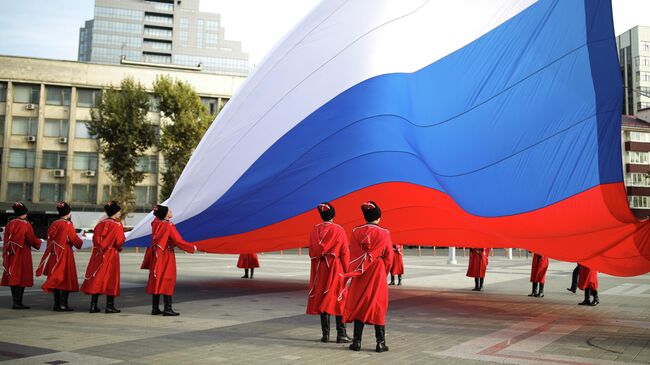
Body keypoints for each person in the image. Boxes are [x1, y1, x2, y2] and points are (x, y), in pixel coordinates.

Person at [343, 201, 393, 353]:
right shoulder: (384, 233)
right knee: (378, 305)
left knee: (359, 304)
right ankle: (380, 343)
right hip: (377, 271)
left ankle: (357, 342)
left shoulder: (356, 231)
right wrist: (383, 272)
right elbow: (389, 257)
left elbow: (352, 253)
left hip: (360, 272)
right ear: (378, 217)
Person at [306, 202, 351, 344]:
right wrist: (347, 271)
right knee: (339, 298)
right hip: (335, 268)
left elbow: (311, 251)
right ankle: (341, 334)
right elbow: (344, 252)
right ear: (333, 214)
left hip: (320, 269)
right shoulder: (339, 229)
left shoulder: (315, 230)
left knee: (322, 297)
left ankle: (325, 334)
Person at [144, 205, 196, 316]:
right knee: (168, 278)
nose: (171, 211)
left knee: (156, 278)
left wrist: (159, 211)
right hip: (166, 254)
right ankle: (167, 308)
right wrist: (192, 247)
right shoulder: (168, 225)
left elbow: (157, 217)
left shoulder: (156, 223)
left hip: (156, 253)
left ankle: (155, 308)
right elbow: (178, 240)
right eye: (169, 210)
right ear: (166, 215)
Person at [36, 202, 83, 311]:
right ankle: (63, 304)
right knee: (65, 278)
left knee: (56, 278)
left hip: (54, 254)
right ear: (68, 213)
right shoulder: (67, 224)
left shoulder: (54, 223)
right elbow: (75, 239)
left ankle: (57, 304)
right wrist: (80, 243)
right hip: (65, 253)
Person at [80, 201, 125, 313]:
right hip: (111, 254)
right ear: (115, 212)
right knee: (111, 279)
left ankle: (93, 305)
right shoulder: (117, 225)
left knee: (97, 278)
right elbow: (119, 241)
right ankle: (109, 306)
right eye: (118, 211)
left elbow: (96, 240)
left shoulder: (100, 224)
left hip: (98, 254)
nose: (120, 213)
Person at [1, 202, 42, 309]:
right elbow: (31, 239)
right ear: (24, 213)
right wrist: (39, 242)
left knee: (13, 276)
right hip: (22, 253)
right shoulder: (25, 224)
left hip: (10, 253)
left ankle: (16, 301)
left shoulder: (10, 224)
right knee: (22, 277)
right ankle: (18, 302)